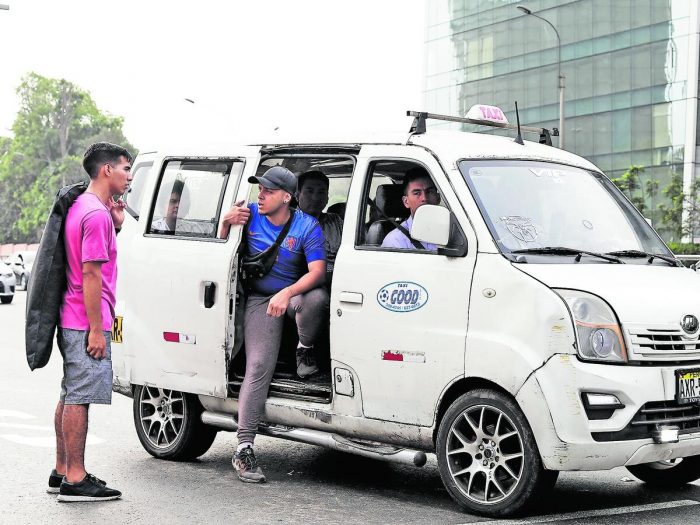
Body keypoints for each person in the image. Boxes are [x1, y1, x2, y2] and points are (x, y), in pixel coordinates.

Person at [219, 166, 329, 483]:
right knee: (258, 367)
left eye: (268, 191)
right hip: (258, 300)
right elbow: (218, 250)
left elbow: (317, 273)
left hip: (293, 297)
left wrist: (287, 291)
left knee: (316, 298)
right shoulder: (248, 213)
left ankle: (304, 352)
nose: (261, 195)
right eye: (260, 189)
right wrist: (226, 223)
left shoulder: (307, 226)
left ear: (286, 197)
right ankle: (244, 447)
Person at [51, 142, 132, 502]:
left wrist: (116, 222)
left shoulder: (87, 207)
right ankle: (76, 479)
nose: (129, 176)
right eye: (126, 168)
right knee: (79, 398)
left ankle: (61, 470)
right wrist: (98, 330)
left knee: (70, 393)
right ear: (107, 171)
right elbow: (90, 274)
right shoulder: (95, 215)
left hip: (78, 318)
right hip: (86, 321)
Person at [296, 170, 343, 286]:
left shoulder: (336, 221)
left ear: (327, 198)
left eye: (321, 192)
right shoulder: (289, 221)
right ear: (297, 196)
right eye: (309, 191)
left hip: (340, 281)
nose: (315, 198)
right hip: (306, 284)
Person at [381, 167, 441, 250]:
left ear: (438, 197)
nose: (424, 198)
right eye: (417, 193)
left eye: (430, 191)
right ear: (406, 201)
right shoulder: (395, 241)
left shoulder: (453, 231)